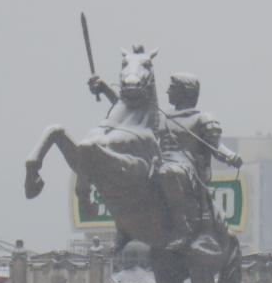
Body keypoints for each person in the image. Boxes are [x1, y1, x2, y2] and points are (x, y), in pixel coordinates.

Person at [89, 71, 242, 252]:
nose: (168, 92)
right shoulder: (161, 117)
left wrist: (230, 156)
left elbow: (216, 146)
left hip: (186, 169)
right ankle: (125, 228)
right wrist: (104, 88)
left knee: (168, 173)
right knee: (128, 175)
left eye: (172, 88)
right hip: (160, 162)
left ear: (184, 92)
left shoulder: (202, 118)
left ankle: (182, 227)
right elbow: (128, 109)